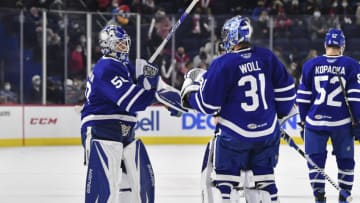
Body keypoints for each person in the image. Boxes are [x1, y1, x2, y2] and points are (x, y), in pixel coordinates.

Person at [180, 15, 296, 203]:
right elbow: (287, 95)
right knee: (266, 183)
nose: (224, 39)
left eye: (227, 34)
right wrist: (278, 116)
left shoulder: (223, 63)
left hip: (234, 136)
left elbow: (208, 105)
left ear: (234, 36)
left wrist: (190, 93)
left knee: (225, 185)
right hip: (267, 134)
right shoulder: (267, 57)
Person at [80, 24, 184, 203]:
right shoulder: (106, 68)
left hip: (125, 131)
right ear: (108, 45)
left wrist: (174, 100)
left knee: (133, 185)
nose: (124, 47)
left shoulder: (126, 65)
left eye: (125, 43)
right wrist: (148, 86)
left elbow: (158, 87)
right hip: (102, 128)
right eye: (119, 44)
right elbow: (134, 102)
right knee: (107, 187)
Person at [296, 28, 360, 203]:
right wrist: (358, 121)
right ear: (342, 46)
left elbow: (302, 99)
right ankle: (344, 198)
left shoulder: (310, 65)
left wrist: (303, 122)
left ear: (325, 44)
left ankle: (319, 198)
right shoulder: (352, 65)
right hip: (342, 124)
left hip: (314, 123)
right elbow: (355, 98)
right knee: (346, 162)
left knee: (316, 164)